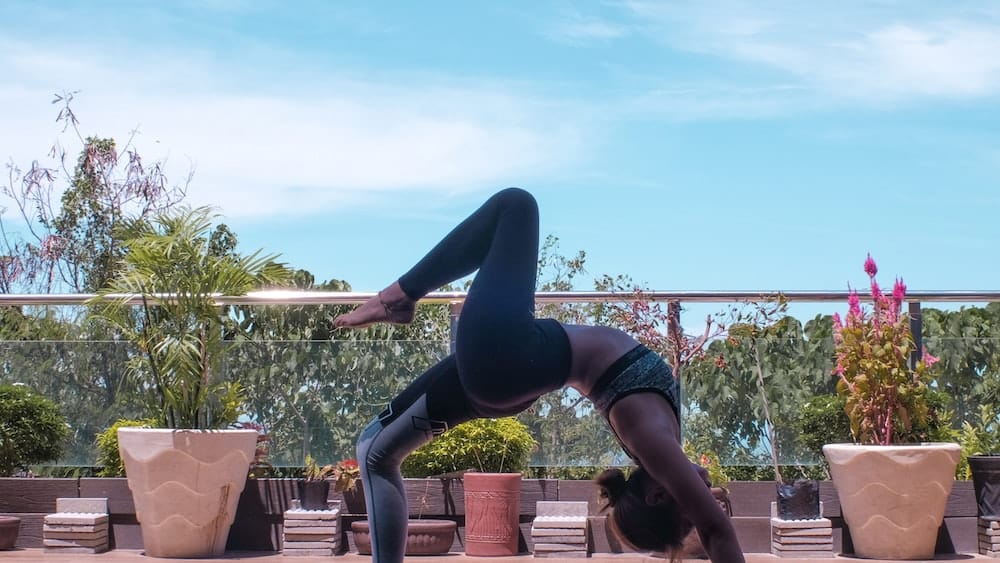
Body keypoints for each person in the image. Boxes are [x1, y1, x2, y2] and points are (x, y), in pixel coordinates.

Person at [335, 188, 744, 563]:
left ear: (658, 494)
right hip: (508, 377)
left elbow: (716, 530)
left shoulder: (655, 443)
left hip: (509, 358)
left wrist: (707, 525)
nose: (703, 505)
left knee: (516, 206)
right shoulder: (659, 442)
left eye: (687, 517)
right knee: (375, 451)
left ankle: (397, 298)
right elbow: (703, 516)